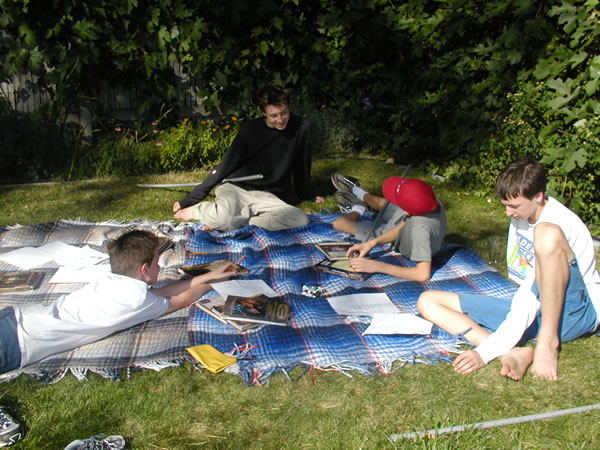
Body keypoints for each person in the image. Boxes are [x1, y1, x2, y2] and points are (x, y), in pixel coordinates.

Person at [417, 159, 600, 381]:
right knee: (428, 301)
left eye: (514, 206)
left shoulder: (558, 223)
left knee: (546, 234)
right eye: (505, 205)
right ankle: (510, 352)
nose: (507, 212)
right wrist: (494, 346)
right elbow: (525, 287)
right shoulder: (523, 215)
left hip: (575, 313)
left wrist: (484, 354)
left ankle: (547, 343)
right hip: (535, 306)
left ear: (538, 196)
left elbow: (530, 293)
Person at [0, 230, 237, 375]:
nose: (160, 267)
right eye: (157, 263)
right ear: (144, 269)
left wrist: (208, 275)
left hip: (16, 317)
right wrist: (211, 282)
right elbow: (179, 300)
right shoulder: (137, 299)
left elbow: (161, 292)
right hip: (18, 344)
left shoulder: (115, 281)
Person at [172, 84, 324, 232]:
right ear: (264, 113)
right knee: (222, 220)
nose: (280, 119)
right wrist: (189, 199)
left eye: (284, 112)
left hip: (268, 197)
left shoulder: (301, 128)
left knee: (299, 219)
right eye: (273, 115)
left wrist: (306, 195)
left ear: (288, 107)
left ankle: (239, 221)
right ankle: (200, 210)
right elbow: (225, 165)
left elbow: (301, 165)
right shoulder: (251, 130)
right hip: (237, 189)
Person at [331, 173, 447, 282]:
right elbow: (400, 227)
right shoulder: (428, 199)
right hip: (407, 224)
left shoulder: (419, 230)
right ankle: (357, 191)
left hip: (402, 237)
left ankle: (358, 208)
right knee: (386, 205)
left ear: (406, 212)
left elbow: (422, 274)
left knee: (339, 223)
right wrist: (371, 243)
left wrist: (376, 266)